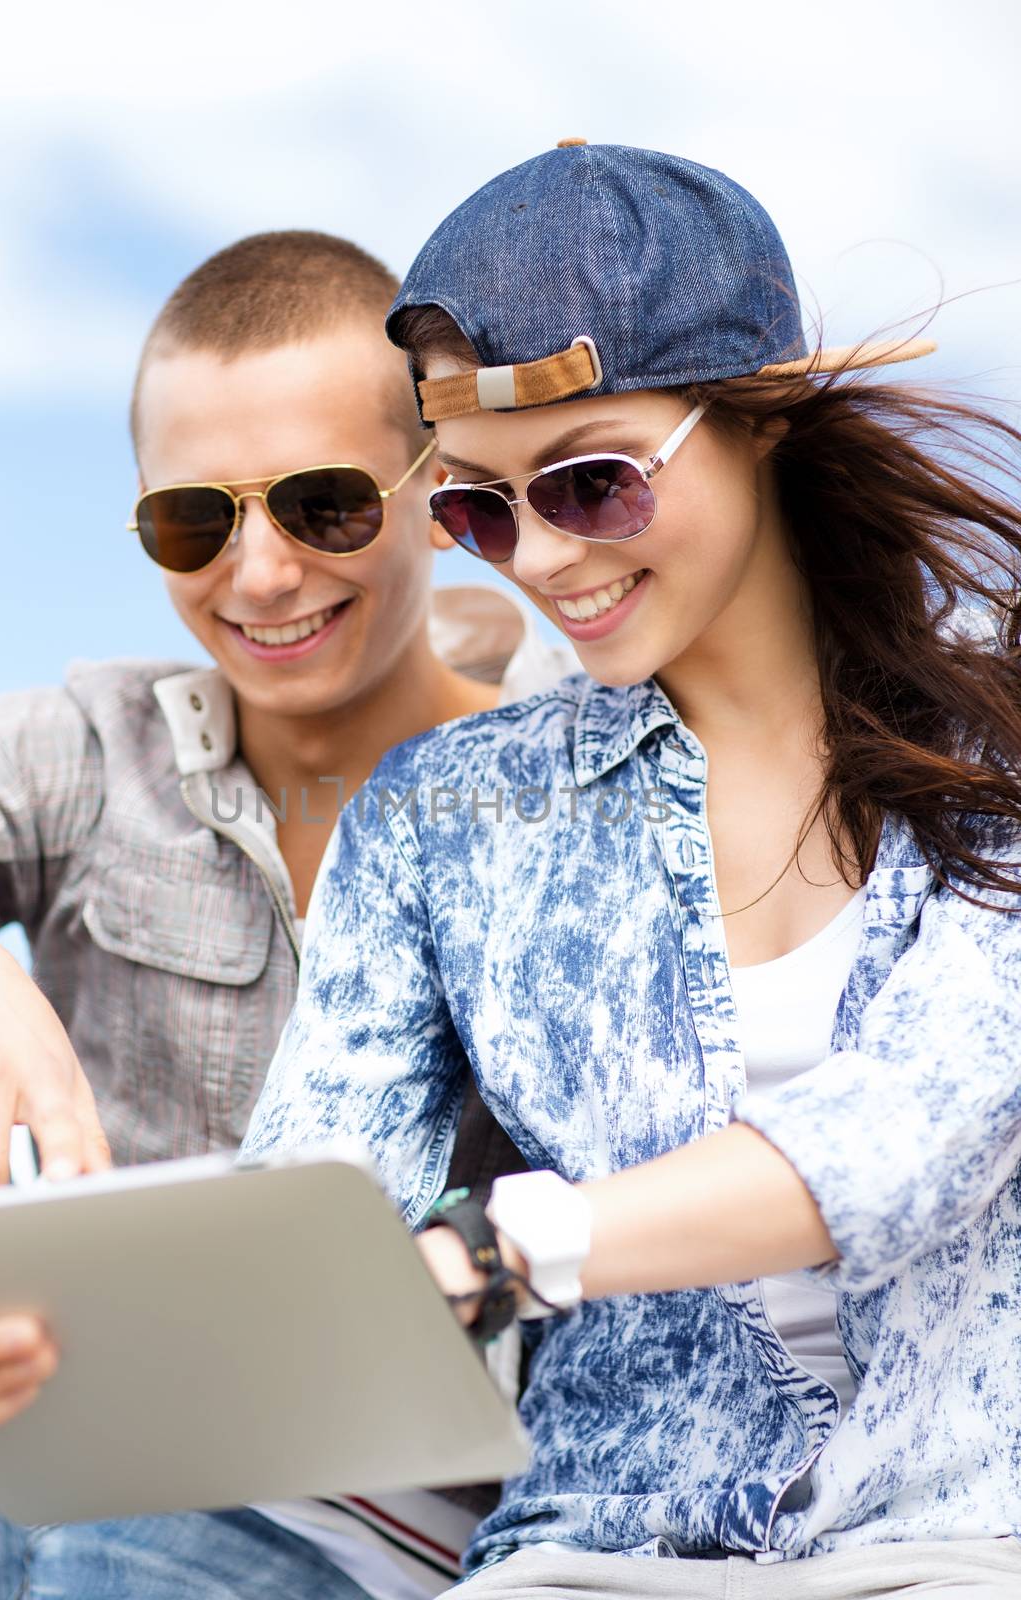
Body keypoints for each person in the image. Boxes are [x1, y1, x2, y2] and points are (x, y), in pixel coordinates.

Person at [239, 143, 1021, 1597]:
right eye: (474, 509)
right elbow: (313, 1190)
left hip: (969, 1531)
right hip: (596, 1551)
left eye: (591, 485)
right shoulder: (436, 819)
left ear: (759, 418)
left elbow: (912, 1128)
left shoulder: (1004, 742)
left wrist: (507, 1246)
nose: (534, 557)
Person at [0, 230, 569, 1599]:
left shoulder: (579, 783)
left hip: (407, 1531)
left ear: (435, 486)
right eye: (193, 520)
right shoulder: (92, 751)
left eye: (324, 506)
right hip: (57, 1479)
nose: (257, 576)